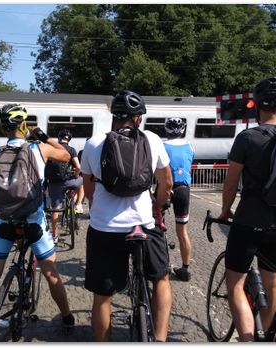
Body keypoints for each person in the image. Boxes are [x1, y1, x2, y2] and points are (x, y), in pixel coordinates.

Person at [0, 103, 74, 341]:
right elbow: (67, 156)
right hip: (34, 222)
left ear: (1, 128)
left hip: (5, 223)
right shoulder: (40, 149)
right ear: (24, 125)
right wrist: (44, 137)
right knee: (50, 271)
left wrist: (3, 202)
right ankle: (68, 318)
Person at [80, 90, 174, 342]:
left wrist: (95, 205)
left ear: (113, 116)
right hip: (143, 223)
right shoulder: (152, 140)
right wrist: (158, 206)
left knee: (103, 297)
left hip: (104, 227)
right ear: (138, 119)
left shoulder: (92, 143)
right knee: (162, 280)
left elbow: (88, 186)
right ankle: (161, 340)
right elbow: (166, 181)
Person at [217, 77, 276, 341]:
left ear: (256, 105)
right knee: (272, 282)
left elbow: (230, 183)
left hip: (248, 222)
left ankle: (249, 341)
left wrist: (225, 211)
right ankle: (272, 337)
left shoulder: (248, 137)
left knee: (235, 282)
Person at [157, 117, 194, 282]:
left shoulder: (162, 146)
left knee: (156, 226)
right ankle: (185, 269)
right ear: (183, 130)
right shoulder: (190, 146)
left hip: (165, 188)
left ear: (166, 129)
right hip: (183, 190)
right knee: (182, 232)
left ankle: (159, 264)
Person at [46, 129, 84, 244]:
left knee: (55, 210)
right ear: (69, 139)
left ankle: (55, 236)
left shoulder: (51, 149)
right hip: (70, 182)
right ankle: (78, 204)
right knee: (82, 181)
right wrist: (77, 176)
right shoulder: (71, 150)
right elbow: (78, 167)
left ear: (59, 138)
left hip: (54, 184)